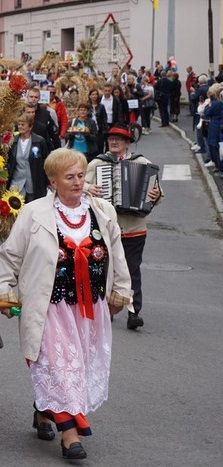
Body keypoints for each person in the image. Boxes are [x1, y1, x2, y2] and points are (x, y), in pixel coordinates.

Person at [0, 148, 132, 460]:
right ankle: (71, 434)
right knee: (58, 365)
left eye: (81, 176)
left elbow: (117, 254)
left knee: (77, 365)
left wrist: (121, 290)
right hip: (48, 307)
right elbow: (10, 254)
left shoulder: (102, 211)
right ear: (53, 181)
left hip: (89, 307)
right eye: (69, 177)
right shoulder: (35, 213)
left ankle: (44, 409)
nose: (77, 182)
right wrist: (2, 289)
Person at [84, 124, 163, 329]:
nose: (114, 142)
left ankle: (133, 312)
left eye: (119, 139)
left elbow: (157, 192)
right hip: (106, 228)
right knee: (105, 269)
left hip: (135, 227)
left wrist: (155, 196)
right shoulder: (97, 164)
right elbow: (79, 185)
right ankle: (106, 309)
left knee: (131, 270)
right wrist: (89, 188)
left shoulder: (143, 163)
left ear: (128, 143)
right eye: (111, 138)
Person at [6, 114, 48, 202]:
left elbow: (46, 163)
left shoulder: (39, 141)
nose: (20, 127)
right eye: (19, 124)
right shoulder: (13, 141)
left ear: (30, 126)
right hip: (16, 183)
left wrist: (47, 182)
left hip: (34, 183)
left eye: (23, 124)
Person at [25, 89, 61, 153]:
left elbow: (54, 134)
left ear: (39, 98)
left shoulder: (45, 114)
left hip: (41, 150)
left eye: (36, 97)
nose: (33, 99)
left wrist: (58, 151)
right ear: (27, 97)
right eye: (31, 97)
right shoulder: (20, 113)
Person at [203, 83, 223, 176]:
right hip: (217, 125)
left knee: (215, 147)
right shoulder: (218, 103)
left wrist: (208, 105)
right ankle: (219, 167)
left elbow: (207, 112)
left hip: (215, 126)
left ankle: (220, 168)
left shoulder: (216, 103)